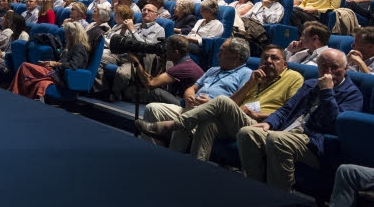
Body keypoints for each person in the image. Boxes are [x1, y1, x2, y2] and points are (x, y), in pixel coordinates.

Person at [135, 45, 303, 161]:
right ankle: (191, 167)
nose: (268, 61)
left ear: (285, 63)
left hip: (262, 123)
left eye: (275, 58)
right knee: (208, 122)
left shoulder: (293, 77)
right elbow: (234, 104)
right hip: (238, 119)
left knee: (220, 101)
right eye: (265, 58)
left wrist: (258, 114)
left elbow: (290, 112)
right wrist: (250, 84)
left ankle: (171, 125)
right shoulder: (255, 77)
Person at [236, 49, 363, 192]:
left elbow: (334, 125)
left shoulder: (353, 95)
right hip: (287, 132)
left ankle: (280, 198)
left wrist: (327, 92)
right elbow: (286, 109)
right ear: (318, 67)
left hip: (314, 141)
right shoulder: (310, 84)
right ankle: (254, 189)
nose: (329, 72)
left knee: (277, 139)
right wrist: (269, 122)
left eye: (334, 67)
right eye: (324, 67)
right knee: (247, 133)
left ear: (345, 68)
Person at [139, 38, 252, 147]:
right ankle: (152, 151)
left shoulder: (246, 74)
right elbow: (193, 88)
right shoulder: (213, 70)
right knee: (152, 108)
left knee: (183, 125)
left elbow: (237, 103)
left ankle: (173, 158)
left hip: (210, 117)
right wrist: (189, 95)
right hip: (190, 108)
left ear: (236, 57)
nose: (218, 55)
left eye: (222, 52)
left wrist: (212, 103)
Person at [9, 22, 90, 100]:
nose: (65, 36)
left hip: (60, 77)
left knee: (25, 66)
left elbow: (73, 66)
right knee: (29, 74)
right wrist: (50, 63)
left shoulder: (79, 47)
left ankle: (13, 93)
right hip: (55, 73)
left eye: (67, 33)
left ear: (73, 35)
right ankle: (18, 94)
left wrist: (55, 64)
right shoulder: (71, 47)